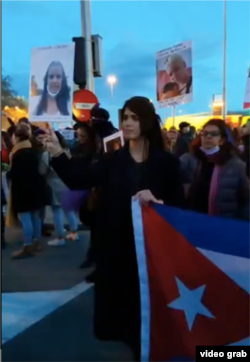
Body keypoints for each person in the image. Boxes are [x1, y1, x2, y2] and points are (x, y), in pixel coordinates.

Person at [41, 96, 184, 361]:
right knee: (125, 318)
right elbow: (77, 179)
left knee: (154, 316)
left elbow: (180, 207)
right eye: (125, 117)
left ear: (147, 121)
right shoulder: (112, 160)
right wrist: (57, 153)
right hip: (117, 250)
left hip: (153, 253)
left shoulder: (166, 163)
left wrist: (160, 204)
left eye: (134, 117)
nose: (128, 123)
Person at [180, 119, 250, 220]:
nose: (208, 136)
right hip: (194, 222)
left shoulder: (237, 166)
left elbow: (246, 201)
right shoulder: (192, 159)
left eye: (214, 134)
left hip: (224, 226)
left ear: (222, 140)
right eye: (205, 133)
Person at [6, 124, 46, 259]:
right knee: (35, 217)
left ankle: (27, 246)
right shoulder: (33, 150)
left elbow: (15, 174)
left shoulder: (18, 153)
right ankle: (36, 242)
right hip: (35, 188)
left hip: (23, 190)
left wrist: (8, 174)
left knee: (25, 218)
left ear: (16, 137)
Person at [39, 131, 79, 246]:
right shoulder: (67, 151)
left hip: (54, 184)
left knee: (57, 211)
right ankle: (74, 233)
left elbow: (42, 171)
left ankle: (60, 237)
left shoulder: (46, 154)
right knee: (69, 209)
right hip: (68, 183)